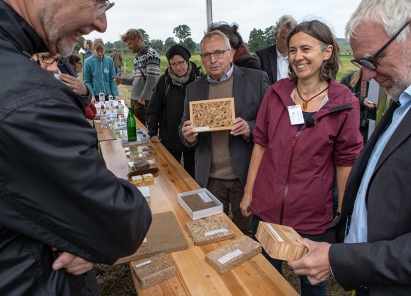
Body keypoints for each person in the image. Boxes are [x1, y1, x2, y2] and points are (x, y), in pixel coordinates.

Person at [0, 0, 152, 295]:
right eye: (98, 1)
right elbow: (119, 223)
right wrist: (82, 233)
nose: (101, 23)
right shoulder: (28, 95)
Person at [289, 0, 411, 295]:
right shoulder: (410, 93)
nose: (369, 75)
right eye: (361, 64)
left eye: (372, 60)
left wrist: (337, 260)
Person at [240, 20, 363, 295]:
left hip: (310, 217)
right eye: (293, 50)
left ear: (327, 52)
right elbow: (260, 144)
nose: (298, 57)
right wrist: (249, 193)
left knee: (312, 282)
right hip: (267, 210)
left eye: (306, 49)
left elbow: (345, 164)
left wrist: (342, 216)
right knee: (265, 278)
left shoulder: (344, 103)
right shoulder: (275, 93)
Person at [179, 30, 270, 235]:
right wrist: (187, 136)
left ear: (231, 53)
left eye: (219, 52)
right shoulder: (193, 88)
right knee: (212, 232)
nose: (213, 60)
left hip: (245, 176)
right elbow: (184, 124)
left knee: (247, 233)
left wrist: (249, 128)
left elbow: (271, 124)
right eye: (206, 55)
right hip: (210, 177)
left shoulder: (256, 79)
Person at [147, 45, 202, 178]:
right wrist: (153, 130)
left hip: (194, 138)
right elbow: (154, 108)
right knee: (171, 176)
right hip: (170, 137)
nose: (178, 67)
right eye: (174, 64)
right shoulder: (164, 81)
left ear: (187, 60)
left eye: (181, 62)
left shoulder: (200, 80)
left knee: (193, 176)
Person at [114, 29, 160, 126]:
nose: (128, 47)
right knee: (137, 129)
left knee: (145, 129)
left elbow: (152, 79)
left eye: (130, 43)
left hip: (145, 100)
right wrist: (123, 80)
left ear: (137, 40)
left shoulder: (151, 54)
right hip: (136, 99)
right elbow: (136, 79)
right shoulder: (137, 57)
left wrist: (142, 97)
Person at [256, 15, 297, 84]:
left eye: (290, 39)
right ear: (275, 35)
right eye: (283, 38)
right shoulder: (261, 56)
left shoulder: (299, 57)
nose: (286, 43)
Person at [340, 70, 376, 143]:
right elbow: (339, 104)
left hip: (374, 129)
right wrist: (360, 101)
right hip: (352, 129)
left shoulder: (384, 80)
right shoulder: (349, 78)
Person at [67, 54, 98, 120]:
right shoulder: (70, 81)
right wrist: (93, 116)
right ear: (72, 65)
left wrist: (95, 111)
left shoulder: (73, 77)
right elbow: (80, 101)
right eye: (79, 63)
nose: (82, 66)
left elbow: (85, 98)